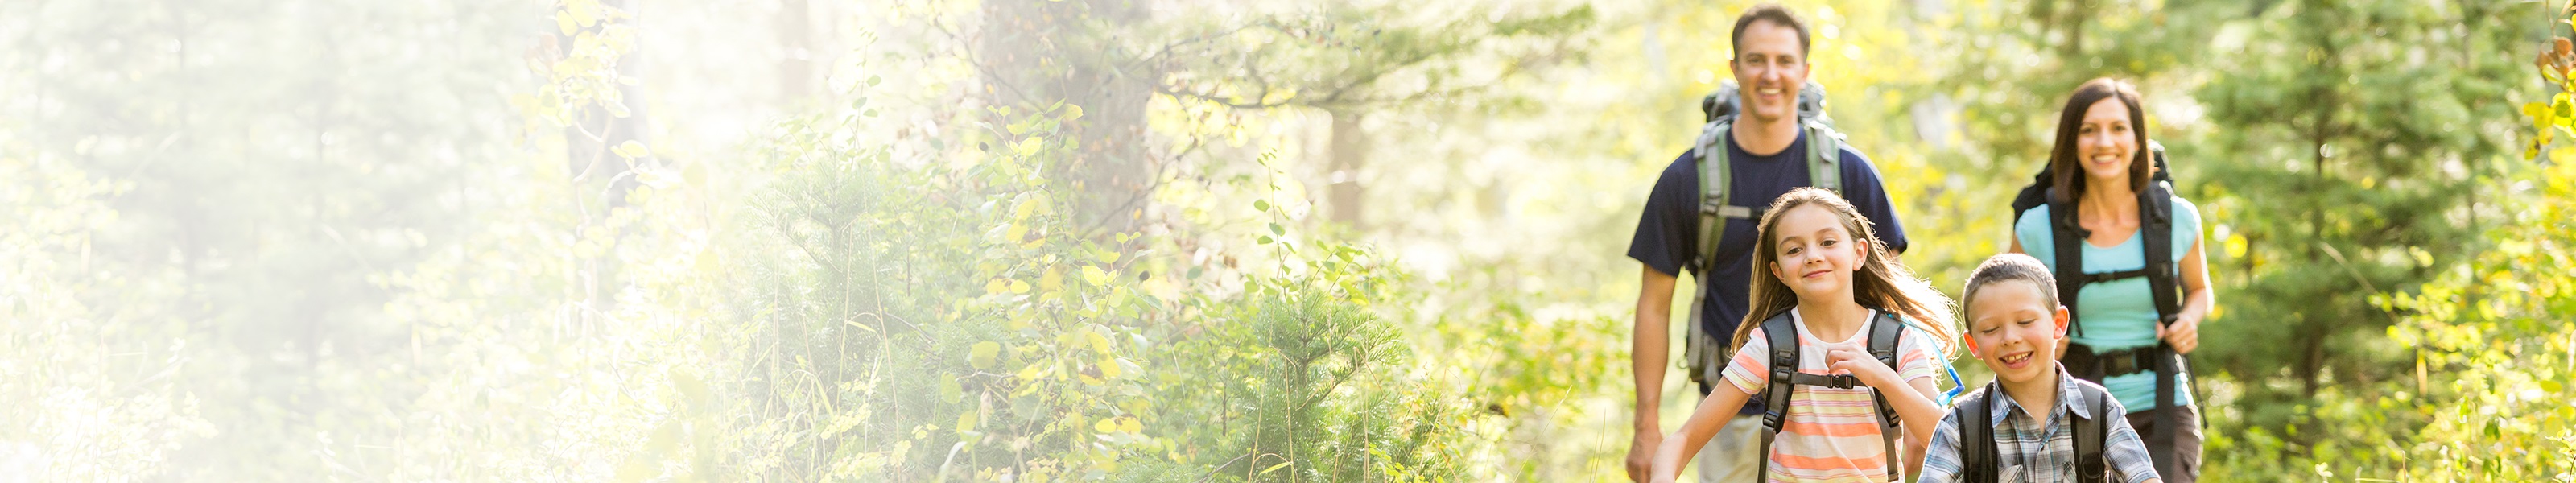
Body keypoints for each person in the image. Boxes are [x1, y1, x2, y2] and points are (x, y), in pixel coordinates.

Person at [1625, 4, 1910, 481]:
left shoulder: (1848, 171)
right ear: (1735, 70)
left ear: (1805, 71)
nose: (1770, 74)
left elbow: (1890, 290)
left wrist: (1906, 405)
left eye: (1784, 60)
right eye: (1756, 60)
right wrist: (1645, 426)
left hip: (1843, 409)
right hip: (1728, 409)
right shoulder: (1687, 179)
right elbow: (1654, 306)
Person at [1647, 188, 1952, 483]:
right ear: (1779, 271)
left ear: (1859, 253)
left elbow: (1944, 438)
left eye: (1828, 242)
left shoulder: (1897, 340)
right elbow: (1685, 437)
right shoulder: (1771, 344)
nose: (1813, 256)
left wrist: (1884, 377)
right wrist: (1662, 476)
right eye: (1794, 249)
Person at [2006, 78, 2215, 482]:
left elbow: (2199, 290)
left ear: (2138, 140)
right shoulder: (2036, 228)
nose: (2105, 142)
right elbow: (2005, 308)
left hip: (2162, 405)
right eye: (2089, 130)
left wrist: (2188, 320)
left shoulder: (2176, 219)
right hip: (2068, 407)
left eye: (2119, 128)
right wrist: (2041, 336)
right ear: (2072, 141)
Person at [1917, 254, 2161, 483]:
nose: (2010, 338)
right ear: (1973, 345)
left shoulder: (2099, 411)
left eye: (2025, 322)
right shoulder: (1960, 427)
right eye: (1991, 329)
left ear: (2058, 323)